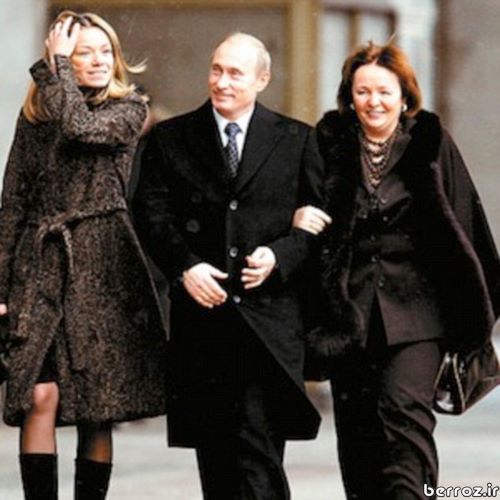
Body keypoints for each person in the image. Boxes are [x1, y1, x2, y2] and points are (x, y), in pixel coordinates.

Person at [294, 41, 500, 500]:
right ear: (349, 96)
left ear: (404, 96)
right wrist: (300, 218)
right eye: (363, 91)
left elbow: (465, 223)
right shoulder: (328, 144)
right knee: (358, 438)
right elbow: (304, 207)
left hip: (417, 317)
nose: (374, 101)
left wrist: (471, 312)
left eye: (384, 92)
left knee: (405, 425)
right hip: (349, 316)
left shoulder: (430, 143)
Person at [132, 32, 323, 499]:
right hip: (205, 324)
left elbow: (320, 222)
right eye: (217, 70)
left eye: (236, 73)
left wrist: (281, 254)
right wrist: (185, 267)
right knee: (216, 463)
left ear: (262, 79)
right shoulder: (170, 138)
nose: (222, 81)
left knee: (259, 456)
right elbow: (151, 214)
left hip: (269, 325)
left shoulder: (297, 139)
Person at [0, 11, 167, 500]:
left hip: (103, 265)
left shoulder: (129, 108)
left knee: (98, 408)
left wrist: (55, 71)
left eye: (104, 51)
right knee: (39, 394)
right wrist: (2, 284)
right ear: (63, 60)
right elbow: (14, 201)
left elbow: (79, 128)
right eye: (81, 52)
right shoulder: (36, 118)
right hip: (40, 265)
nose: (96, 60)